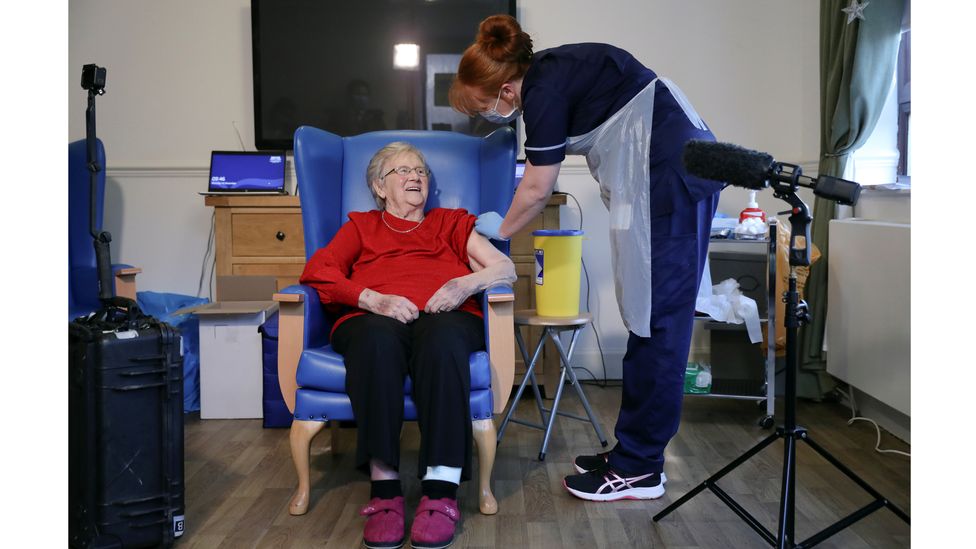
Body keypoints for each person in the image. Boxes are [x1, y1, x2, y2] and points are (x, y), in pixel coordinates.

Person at [449, 15, 725, 502]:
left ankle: (641, 468)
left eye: (480, 106)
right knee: (646, 315)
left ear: (506, 92)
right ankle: (631, 452)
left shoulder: (544, 89)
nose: (483, 116)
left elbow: (536, 187)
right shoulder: (554, 72)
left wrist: (499, 231)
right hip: (663, 177)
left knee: (658, 323)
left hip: (670, 180)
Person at [299, 141, 516, 549]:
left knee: (442, 341)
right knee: (375, 341)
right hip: (373, 316)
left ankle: (441, 490)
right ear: (380, 187)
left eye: (420, 170)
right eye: (402, 171)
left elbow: (505, 267)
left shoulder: (451, 222)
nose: (415, 176)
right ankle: (385, 494)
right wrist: (372, 299)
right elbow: (319, 271)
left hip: (445, 312)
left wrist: (462, 284)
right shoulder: (361, 226)